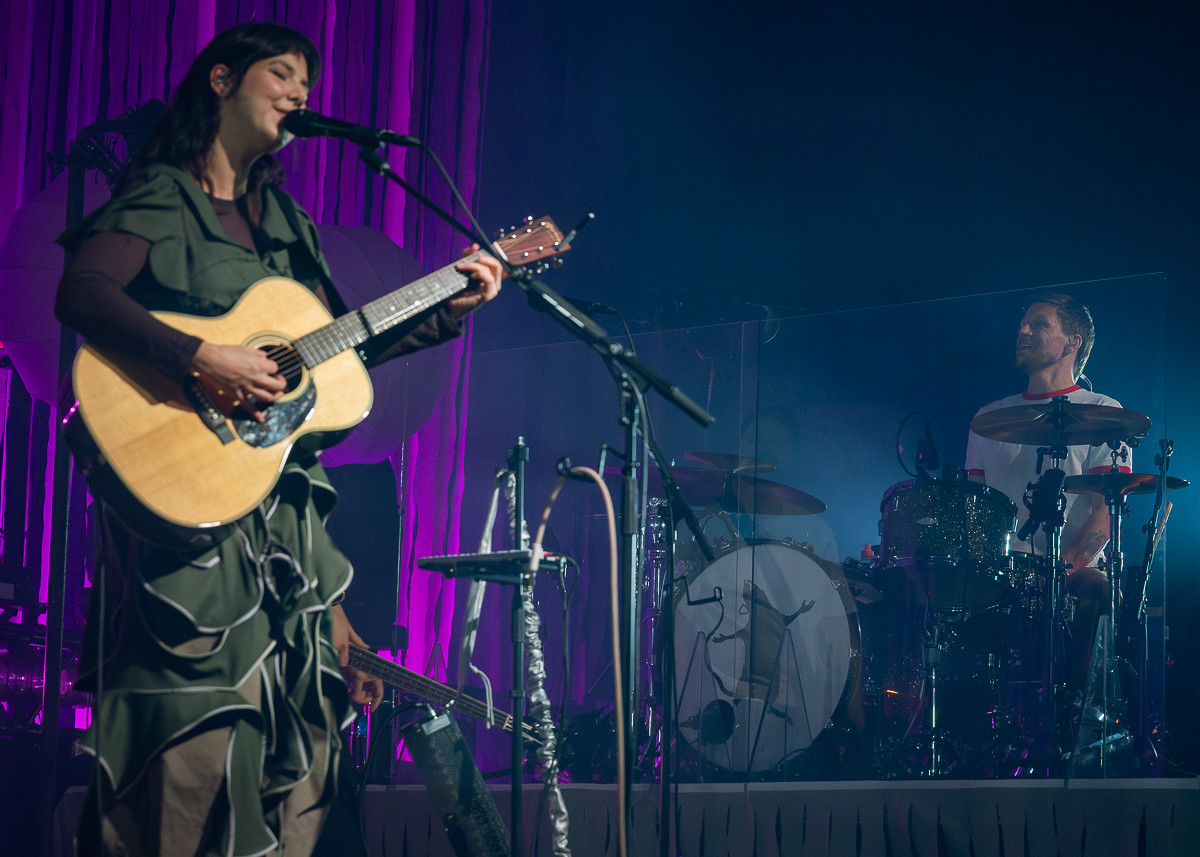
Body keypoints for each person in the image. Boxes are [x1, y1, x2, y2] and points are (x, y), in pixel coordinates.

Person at [54, 23, 503, 857]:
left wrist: (448, 310)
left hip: (281, 534)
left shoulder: (285, 225)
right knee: (183, 773)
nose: (300, 92)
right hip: (186, 535)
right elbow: (82, 293)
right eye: (282, 73)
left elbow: (336, 353)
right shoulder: (162, 196)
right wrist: (199, 355)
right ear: (222, 81)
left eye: (308, 81)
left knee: (300, 778)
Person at [964, 294, 1128, 688]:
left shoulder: (1102, 411)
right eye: (1022, 324)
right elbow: (975, 507)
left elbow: (1107, 513)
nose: (1022, 331)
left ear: (1073, 341)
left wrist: (1053, 575)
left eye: (1038, 325)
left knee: (1097, 591)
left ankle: (1082, 708)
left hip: (1073, 574)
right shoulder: (988, 418)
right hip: (1002, 573)